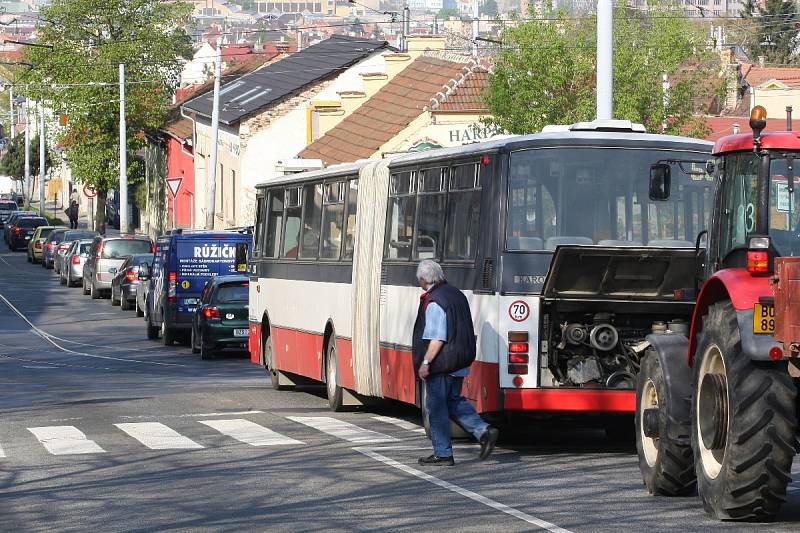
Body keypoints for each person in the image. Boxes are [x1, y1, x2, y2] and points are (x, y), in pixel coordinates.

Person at [413, 259, 499, 466]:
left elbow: (437, 338)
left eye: (419, 280)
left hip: (442, 363)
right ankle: (484, 430)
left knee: (436, 408)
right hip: (459, 360)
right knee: (453, 400)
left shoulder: (435, 302)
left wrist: (425, 362)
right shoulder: (455, 294)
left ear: (424, 279)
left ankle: (442, 454)